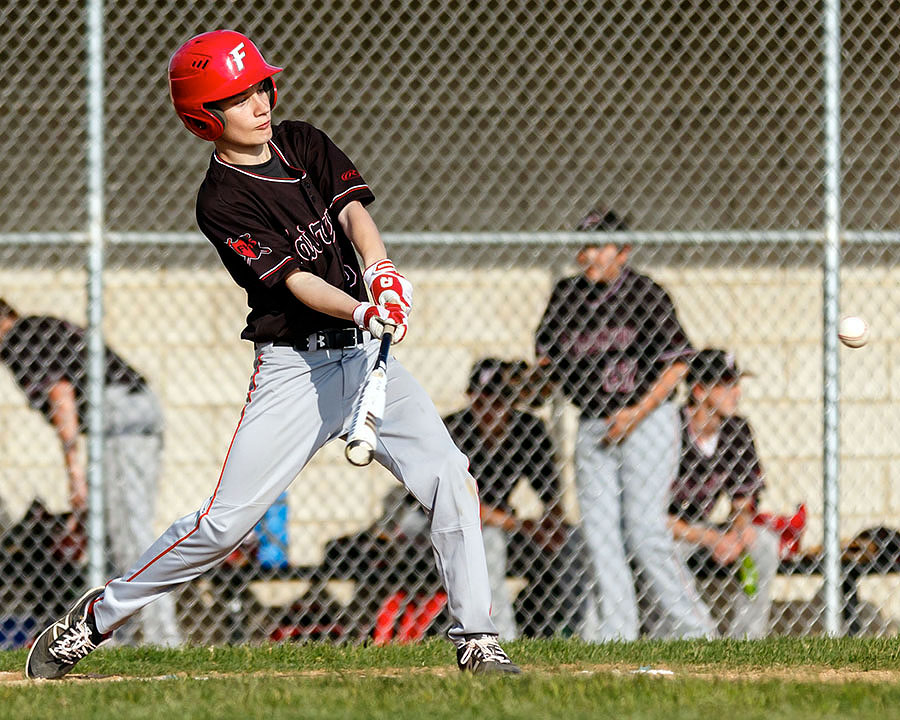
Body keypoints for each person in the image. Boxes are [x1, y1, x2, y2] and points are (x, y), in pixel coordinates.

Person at [25, 29, 518, 679]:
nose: (258, 101)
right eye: (236, 95)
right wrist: (362, 307)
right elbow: (297, 284)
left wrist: (382, 271)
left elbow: (353, 216)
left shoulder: (302, 141)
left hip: (367, 361)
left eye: (260, 85)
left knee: (450, 475)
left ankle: (478, 638)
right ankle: (95, 619)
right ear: (205, 116)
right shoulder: (222, 200)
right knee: (224, 526)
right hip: (296, 369)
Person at [534, 208, 715, 641]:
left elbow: (676, 366)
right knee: (598, 535)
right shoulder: (566, 297)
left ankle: (696, 631)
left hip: (647, 421)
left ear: (624, 251)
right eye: (585, 246)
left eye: (600, 246)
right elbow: (546, 363)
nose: (589, 255)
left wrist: (636, 412)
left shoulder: (646, 294)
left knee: (643, 528)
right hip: (594, 425)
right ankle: (617, 634)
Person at [0, 299, 181, 648]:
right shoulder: (38, 326)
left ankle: (164, 639)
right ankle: (117, 636)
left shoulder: (20, 339)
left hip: (119, 417)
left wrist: (76, 479)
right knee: (113, 535)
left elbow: (61, 396)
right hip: (127, 412)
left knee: (129, 533)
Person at [443, 358, 583, 640]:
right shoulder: (454, 429)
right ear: (471, 398)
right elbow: (452, 503)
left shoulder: (526, 429)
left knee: (574, 541)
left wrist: (551, 524)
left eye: (499, 402)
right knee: (490, 541)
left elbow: (550, 493)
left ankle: (579, 632)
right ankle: (502, 638)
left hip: (500, 521)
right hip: (434, 521)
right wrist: (516, 524)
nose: (490, 411)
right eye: (482, 401)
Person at [668, 349, 779, 638]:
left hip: (704, 529)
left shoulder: (737, 430)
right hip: (667, 530)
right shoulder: (671, 429)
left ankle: (746, 643)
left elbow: (743, 501)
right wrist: (712, 538)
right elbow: (651, 514)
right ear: (700, 390)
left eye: (736, 383)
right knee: (668, 551)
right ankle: (687, 637)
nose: (737, 392)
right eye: (726, 384)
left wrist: (740, 529)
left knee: (763, 543)